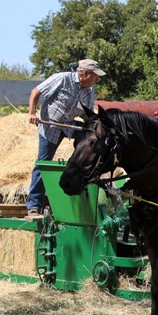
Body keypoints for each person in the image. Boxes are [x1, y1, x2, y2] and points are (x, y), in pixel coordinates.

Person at [25, 58, 106, 216]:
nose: (97, 79)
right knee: (43, 164)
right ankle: (34, 205)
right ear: (85, 73)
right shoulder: (62, 79)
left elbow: (87, 115)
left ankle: (85, 193)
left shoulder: (88, 91)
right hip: (50, 126)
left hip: (69, 126)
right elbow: (36, 92)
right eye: (95, 75)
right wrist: (32, 113)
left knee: (89, 145)